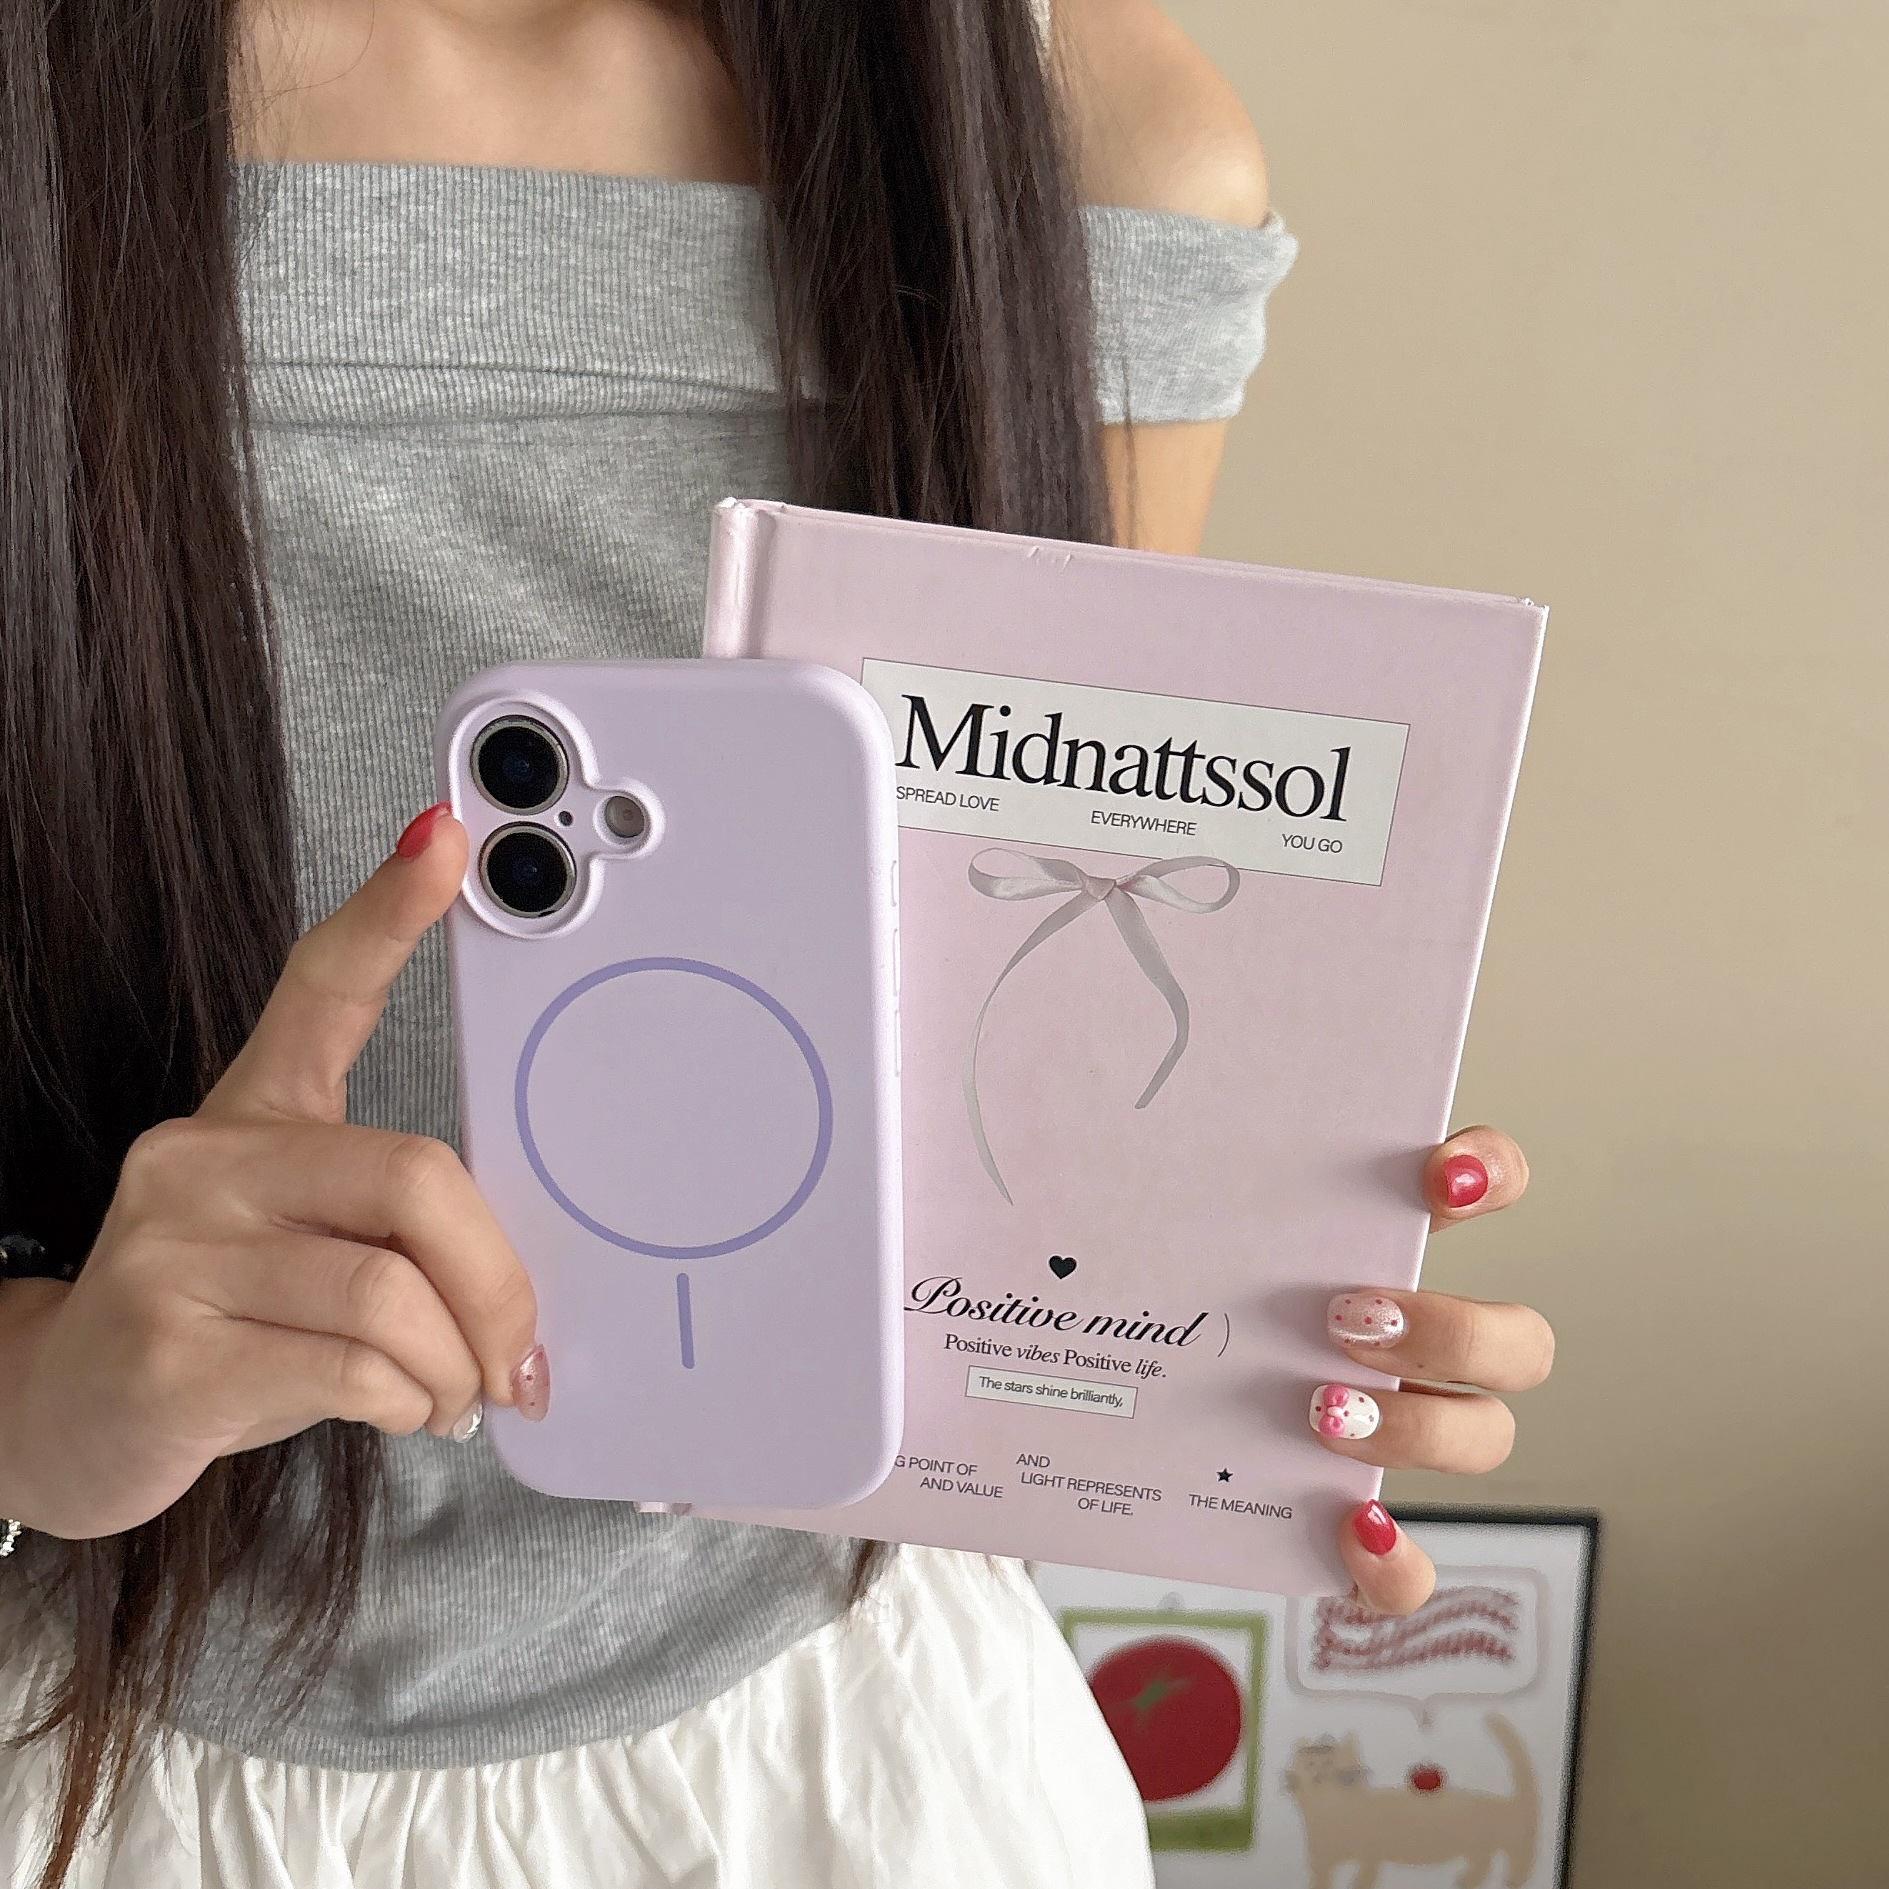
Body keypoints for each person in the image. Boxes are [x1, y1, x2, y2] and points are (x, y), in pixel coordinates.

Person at [0, 2, 1556, 1884]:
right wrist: (39, 1398)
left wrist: (1232, 1301)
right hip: (99, 1762)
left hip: (854, 1776)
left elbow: (1033, 997)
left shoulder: (1085, 141)